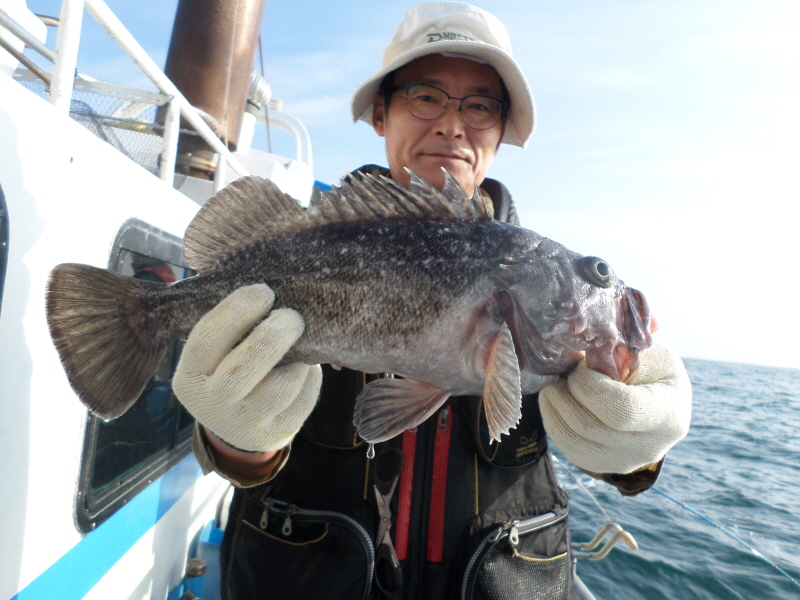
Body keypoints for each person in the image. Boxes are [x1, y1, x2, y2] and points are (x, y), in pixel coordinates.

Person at [172, 3, 693, 599]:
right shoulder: (307, 240)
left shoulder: (537, 283)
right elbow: (241, 462)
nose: (452, 125)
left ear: (501, 130)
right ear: (380, 112)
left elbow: (620, 463)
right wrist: (235, 439)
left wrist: (640, 450)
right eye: (425, 97)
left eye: (479, 106)